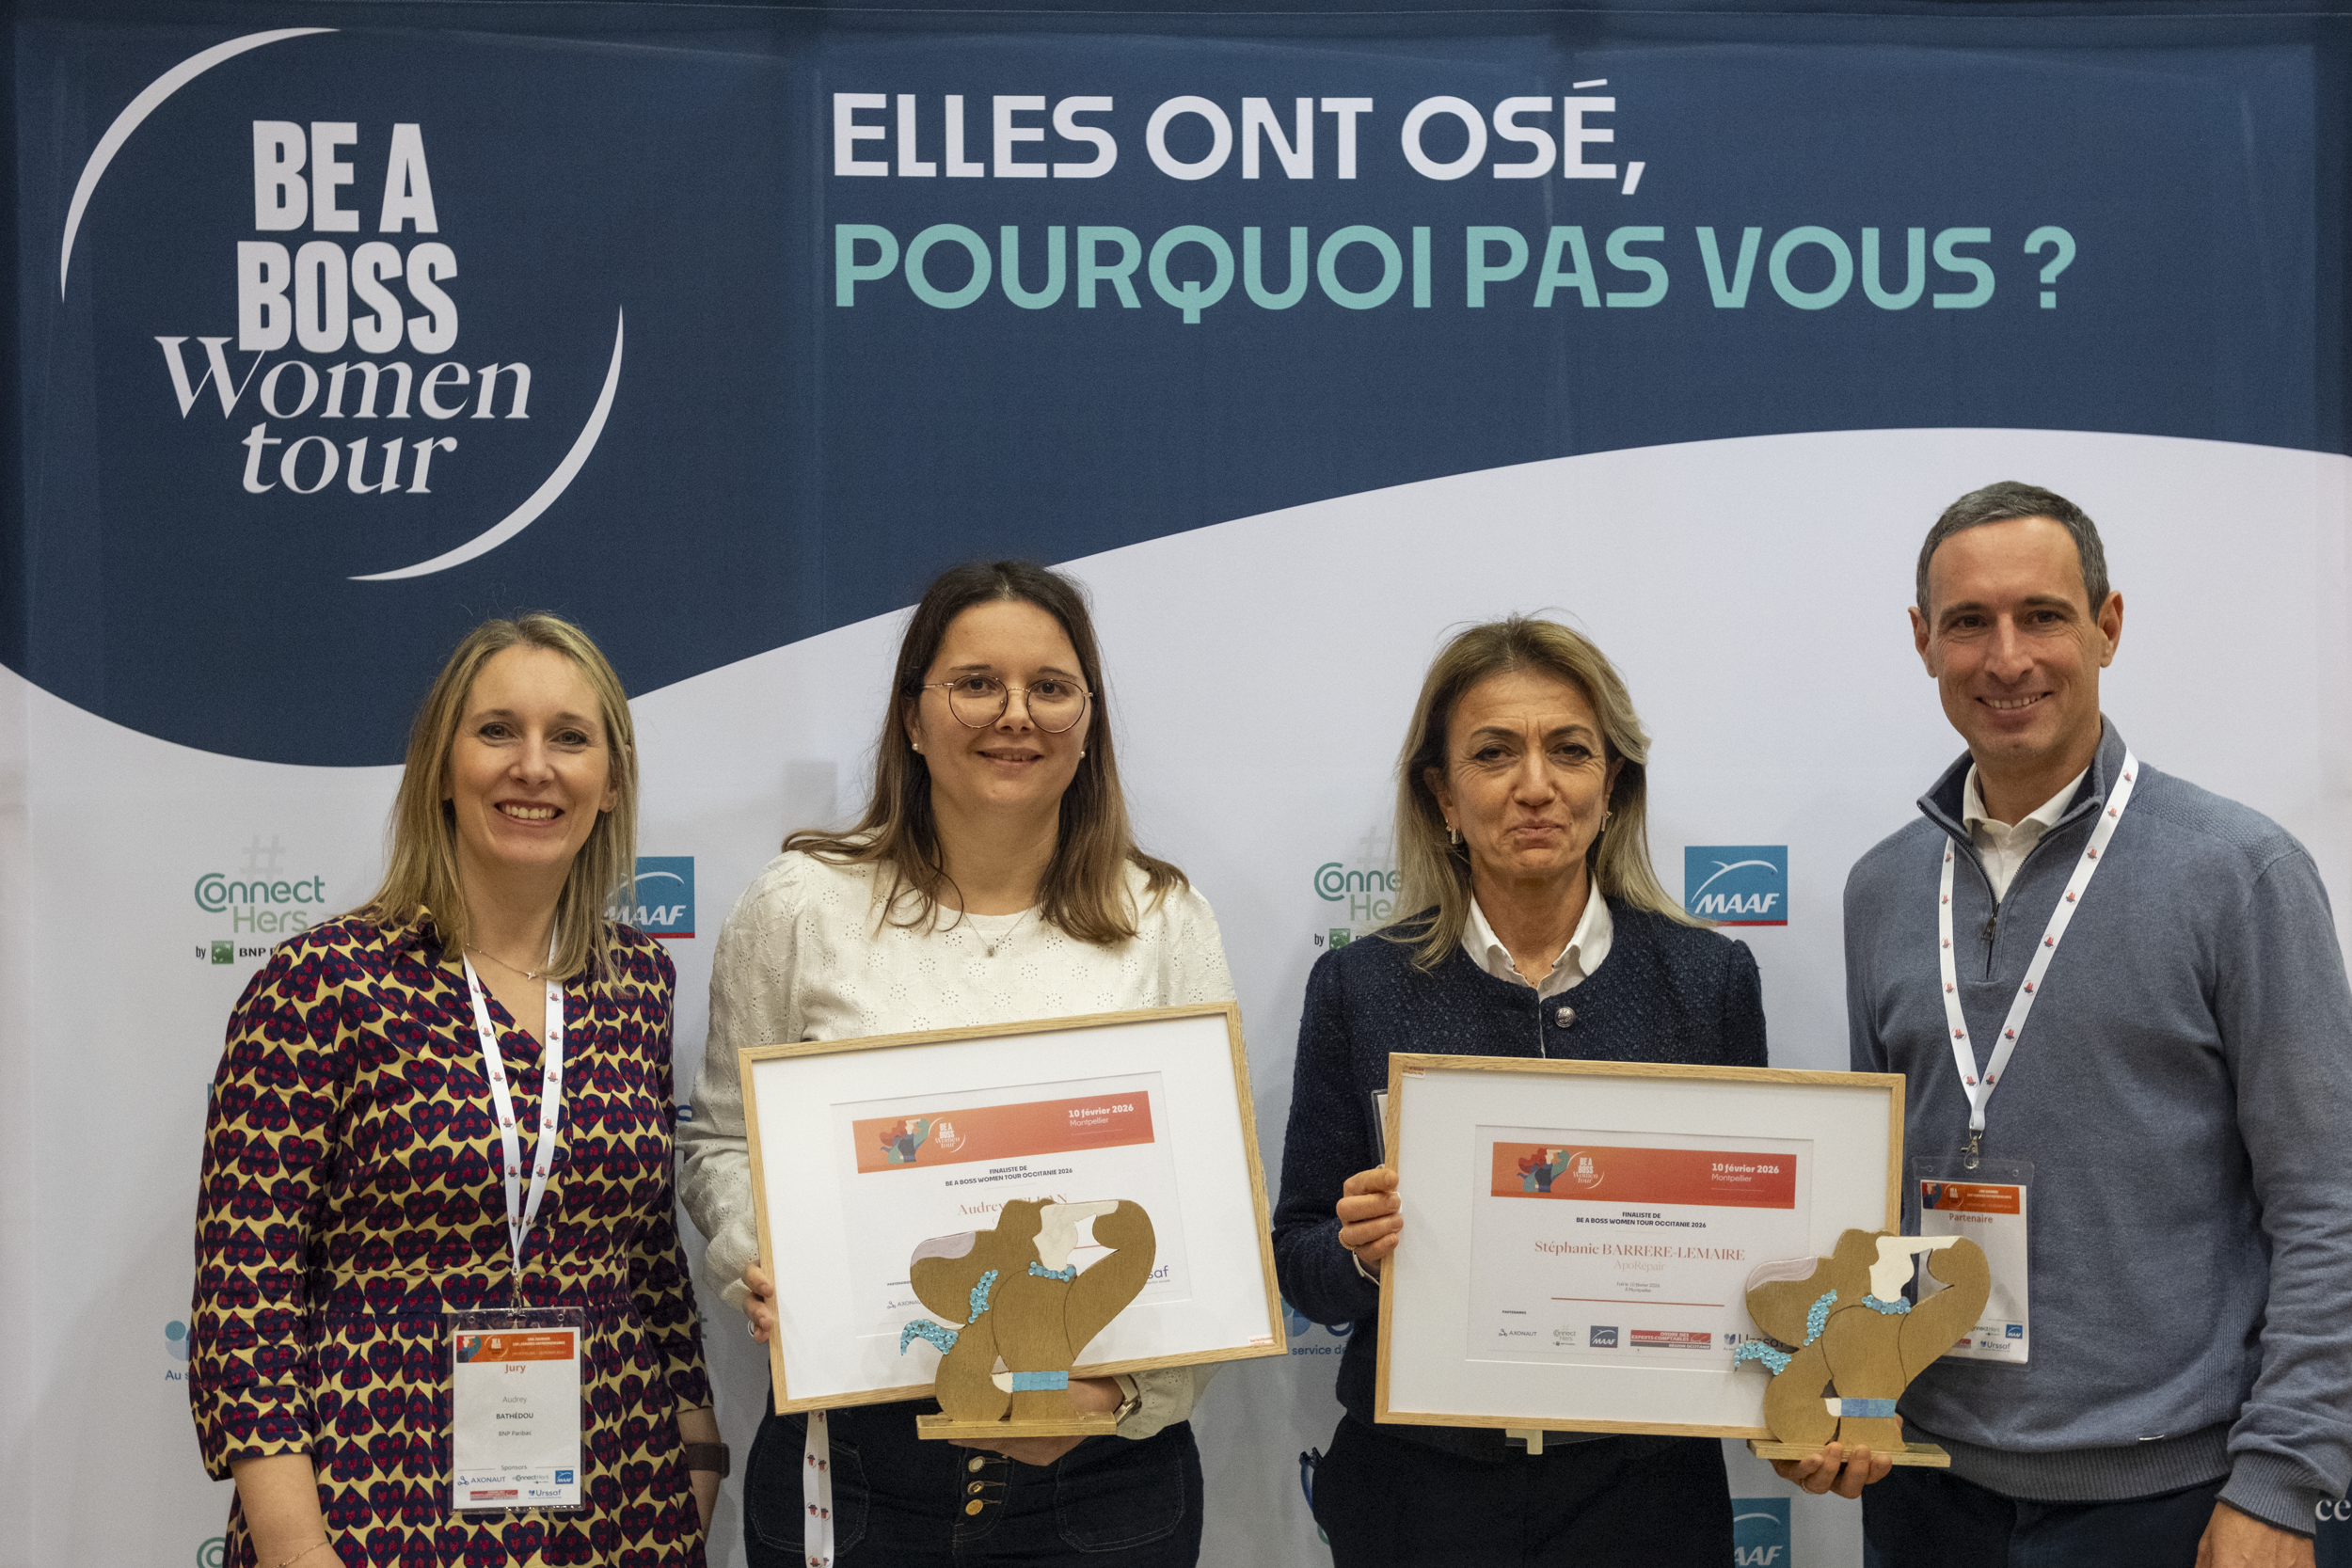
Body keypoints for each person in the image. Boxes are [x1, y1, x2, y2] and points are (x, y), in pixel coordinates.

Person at [679, 561, 1236, 1568]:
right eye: (976, 683)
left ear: (1088, 719)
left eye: (1050, 686)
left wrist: (1121, 1395)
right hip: (856, 1467)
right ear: (912, 715)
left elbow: (1215, 1203)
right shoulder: (800, 904)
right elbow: (721, 1139)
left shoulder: (1162, 918)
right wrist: (761, 1255)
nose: (1015, 714)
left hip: (1101, 1478)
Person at [1843, 482, 2352, 1567]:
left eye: (2042, 614)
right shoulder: (1881, 888)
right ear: (1922, 640)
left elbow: (2327, 1199)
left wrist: (2282, 1479)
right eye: (1969, 622)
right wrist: (1853, 1382)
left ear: (2107, 625)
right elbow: (1873, 1192)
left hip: (2176, 1499)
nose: (2006, 657)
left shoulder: (2239, 873)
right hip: (1928, 1491)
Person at [187, 614, 720, 1568]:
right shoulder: (324, 982)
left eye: (570, 737)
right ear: (440, 766)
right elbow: (245, 1293)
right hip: (371, 1507)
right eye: (497, 730)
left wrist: (697, 1449)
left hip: (614, 1502)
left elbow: (647, 1257)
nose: (533, 766)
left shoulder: (636, 981)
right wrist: (295, 1545)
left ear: (611, 782)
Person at [1270, 614, 1770, 1566]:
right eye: (1494, 752)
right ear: (1443, 795)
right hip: (1418, 1490)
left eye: (1569, 750)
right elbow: (1298, 1256)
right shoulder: (1359, 986)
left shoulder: (1706, 981)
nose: (1534, 784)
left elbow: (1751, 1248)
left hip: (1643, 1491)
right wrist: (1358, 1253)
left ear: (1611, 785)